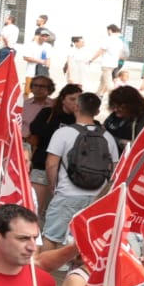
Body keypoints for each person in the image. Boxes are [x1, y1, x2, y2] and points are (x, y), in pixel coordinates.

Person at [42, 91, 117, 242]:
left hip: (67, 194)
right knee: (86, 241)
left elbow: (51, 164)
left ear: (76, 107)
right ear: (97, 111)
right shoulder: (107, 137)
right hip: (96, 196)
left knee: (52, 237)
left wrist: (52, 185)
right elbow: (115, 170)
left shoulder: (63, 133)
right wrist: (104, 194)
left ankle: (45, 267)